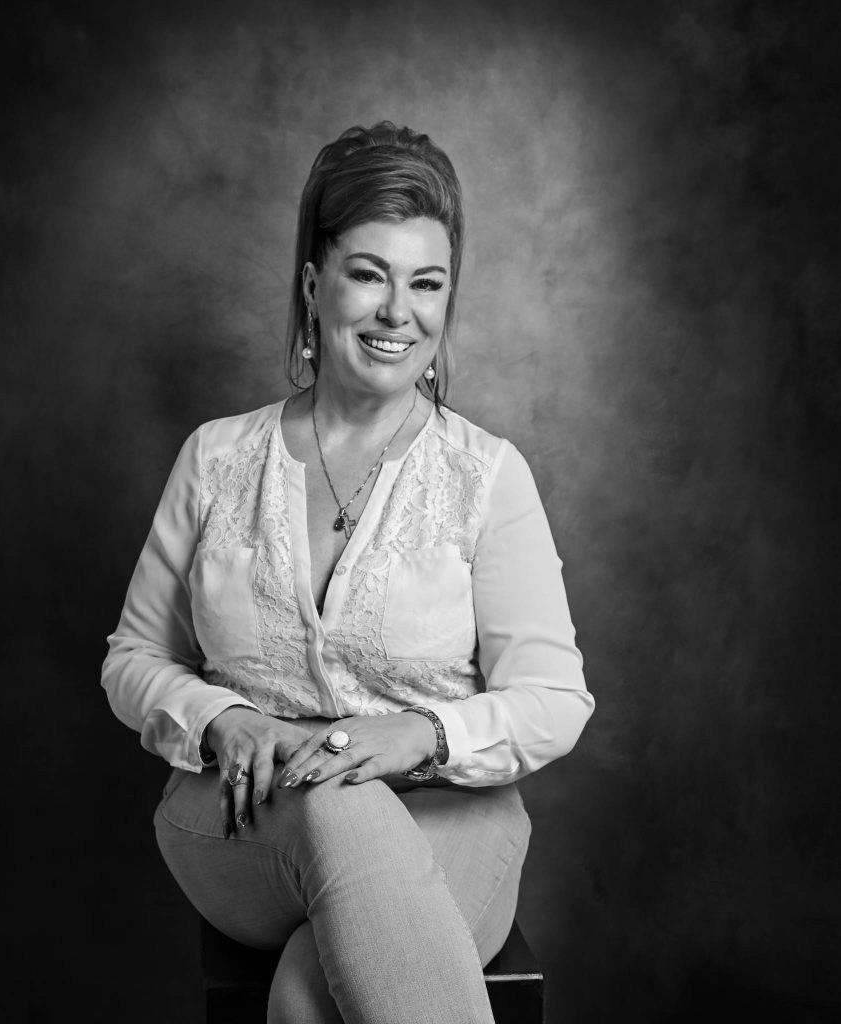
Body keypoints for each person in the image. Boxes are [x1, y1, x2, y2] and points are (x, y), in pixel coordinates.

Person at [101, 121, 594, 1024]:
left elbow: (555, 700)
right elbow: (133, 660)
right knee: (338, 805)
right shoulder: (216, 459)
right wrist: (222, 718)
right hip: (245, 818)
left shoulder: (486, 476)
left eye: (427, 283)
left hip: (454, 815)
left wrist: (424, 734)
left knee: (307, 998)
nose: (398, 312)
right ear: (312, 284)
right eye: (370, 274)